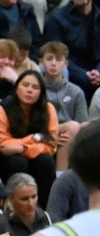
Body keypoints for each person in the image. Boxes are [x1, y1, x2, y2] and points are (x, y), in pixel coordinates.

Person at [0, 69, 58, 210]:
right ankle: (10, 208)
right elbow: (4, 145)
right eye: (25, 85)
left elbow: (52, 141)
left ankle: (47, 211)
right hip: (6, 158)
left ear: (41, 92)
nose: (29, 90)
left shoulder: (48, 108)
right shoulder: (0, 109)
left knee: (45, 161)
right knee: (18, 161)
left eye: (35, 87)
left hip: (31, 154)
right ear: (16, 87)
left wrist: (24, 148)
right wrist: (36, 138)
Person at [45, 0, 99, 96]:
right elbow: (57, 55)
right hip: (70, 75)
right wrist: (85, 75)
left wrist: (98, 73)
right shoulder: (56, 19)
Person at [40, 41, 88, 171]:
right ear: (41, 62)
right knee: (71, 126)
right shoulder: (36, 88)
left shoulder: (76, 91)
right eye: (49, 59)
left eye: (59, 59)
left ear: (65, 63)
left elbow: (83, 124)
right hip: (42, 135)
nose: (54, 63)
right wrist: (52, 135)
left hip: (70, 137)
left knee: (80, 127)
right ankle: (60, 174)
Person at [5, 172, 50, 236]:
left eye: (34, 197)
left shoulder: (50, 220)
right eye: (24, 199)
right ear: (11, 199)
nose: (30, 203)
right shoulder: (3, 224)